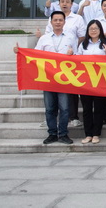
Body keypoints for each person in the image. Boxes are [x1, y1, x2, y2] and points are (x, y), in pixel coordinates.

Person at [14, 11, 77, 145]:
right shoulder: (44, 38)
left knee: (65, 108)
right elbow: (35, 55)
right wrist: (20, 52)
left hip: (64, 78)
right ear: (51, 22)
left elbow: (78, 57)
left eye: (60, 20)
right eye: (55, 20)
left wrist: (72, 54)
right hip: (48, 79)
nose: (58, 22)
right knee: (50, 108)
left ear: (64, 22)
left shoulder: (71, 38)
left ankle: (63, 134)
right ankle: (52, 134)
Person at [43, 0, 86, 128]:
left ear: (72, 4)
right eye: (62, 1)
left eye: (67, 2)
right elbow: (42, 45)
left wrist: (72, 50)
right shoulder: (52, 19)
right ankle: (52, 122)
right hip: (51, 66)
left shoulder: (77, 18)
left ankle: (72, 118)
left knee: (70, 94)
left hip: (69, 63)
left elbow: (81, 36)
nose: (65, 4)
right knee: (51, 98)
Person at [75, 19, 106, 144]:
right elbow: (77, 61)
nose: (93, 31)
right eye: (91, 29)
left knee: (99, 108)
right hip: (86, 81)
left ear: (100, 30)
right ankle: (88, 134)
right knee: (87, 108)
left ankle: (96, 133)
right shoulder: (83, 45)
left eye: (96, 28)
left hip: (101, 81)